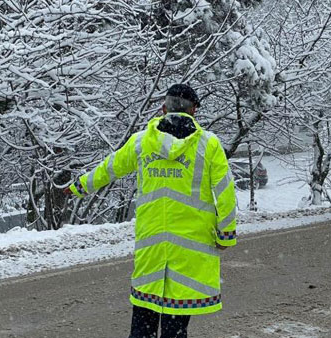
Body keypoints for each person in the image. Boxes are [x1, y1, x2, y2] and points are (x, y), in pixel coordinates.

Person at [64, 83, 237, 338]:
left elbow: (110, 168)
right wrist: (226, 234)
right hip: (189, 251)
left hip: (151, 246)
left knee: (143, 320)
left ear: (163, 108)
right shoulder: (208, 145)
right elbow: (225, 192)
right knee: (175, 326)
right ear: (195, 111)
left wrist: (80, 186)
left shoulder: (142, 142)